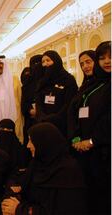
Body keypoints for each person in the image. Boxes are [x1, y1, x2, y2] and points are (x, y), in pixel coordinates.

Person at [1, 122, 87, 215]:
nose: (28, 146)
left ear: (44, 142)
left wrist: (19, 210)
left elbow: (61, 210)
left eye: (31, 141)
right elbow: (22, 184)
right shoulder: (38, 163)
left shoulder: (68, 171)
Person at [67, 41, 110, 214]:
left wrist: (92, 141)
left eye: (111, 57)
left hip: (103, 149)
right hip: (86, 150)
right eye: (102, 58)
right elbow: (74, 114)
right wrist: (76, 139)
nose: (107, 61)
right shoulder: (91, 85)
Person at [34, 50, 78, 135]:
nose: (45, 64)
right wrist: (42, 117)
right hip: (43, 123)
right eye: (43, 61)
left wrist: (54, 118)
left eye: (48, 60)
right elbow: (38, 102)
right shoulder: (42, 81)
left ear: (56, 61)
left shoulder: (68, 79)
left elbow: (69, 103)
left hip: (62, 124)